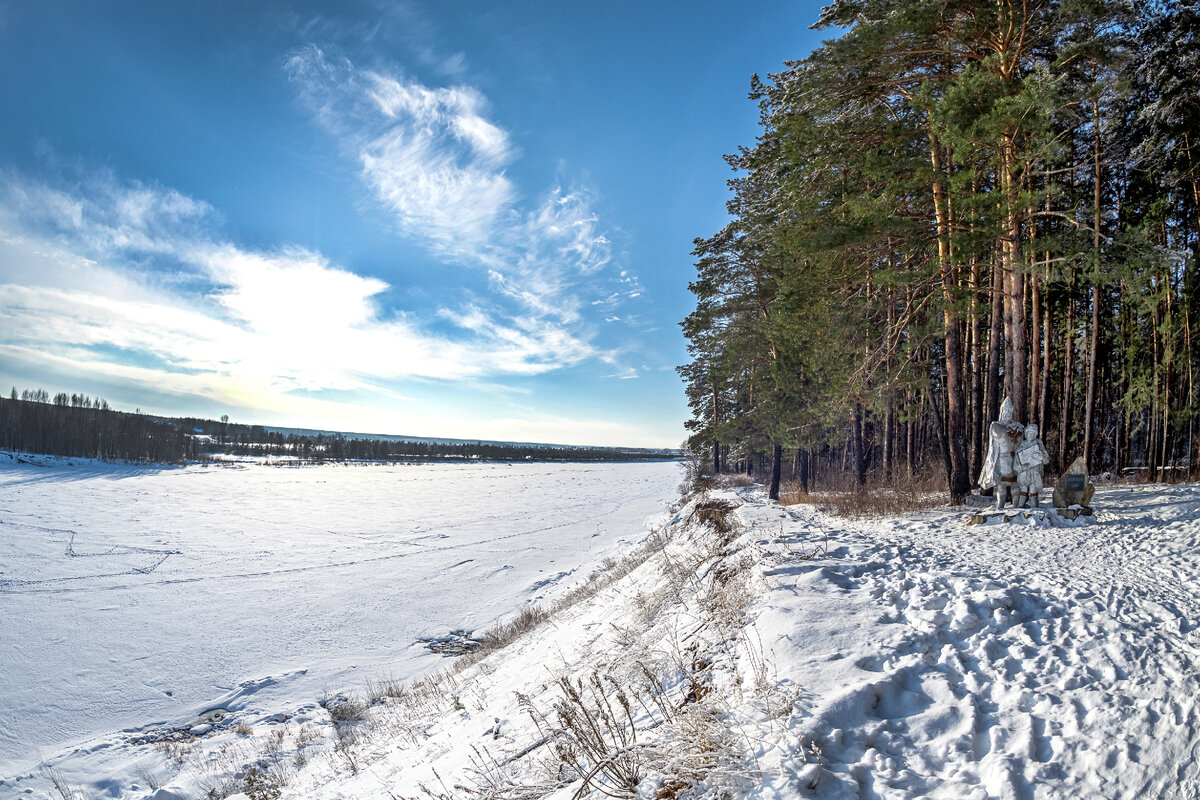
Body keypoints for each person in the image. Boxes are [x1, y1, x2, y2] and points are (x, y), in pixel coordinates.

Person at [979, 397, 1023, 509]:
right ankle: (1000, 505)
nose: (1008, 412)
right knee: (1002, 485)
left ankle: (1016, 505)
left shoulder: (1019, 427)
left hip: (1016, 460)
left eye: (1010, 410)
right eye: (1006, 410)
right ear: (1002, 411)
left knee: (1015, 485)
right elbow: (993, 446)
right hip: (1002, 459)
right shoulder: (997, 426)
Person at [1015, 423, 1050, 508]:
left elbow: (1047, 459)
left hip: (1035, 472)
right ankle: (1020, 505)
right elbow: (1016, 461)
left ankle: (1034, 506)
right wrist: (1021, 467)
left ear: (1035, 435)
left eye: (1032, 433)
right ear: (1026, 434)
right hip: (1024, 473)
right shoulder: (1021, 445)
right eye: (1028, 433)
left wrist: (1041, 457)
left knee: (1033, 488)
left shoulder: (1039, 444)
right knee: (1023, 488)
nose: (1030, 435)